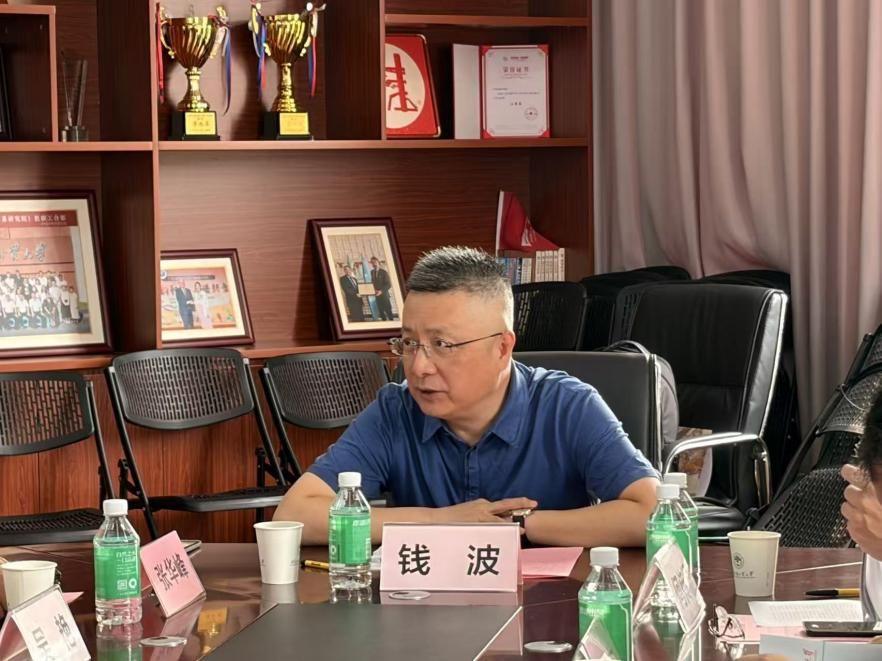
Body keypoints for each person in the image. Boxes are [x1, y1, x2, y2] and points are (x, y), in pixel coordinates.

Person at [275, 246, 659, 547]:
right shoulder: (396, 410)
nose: (419, 367)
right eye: (408, 343)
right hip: (429, 612)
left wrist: (519, 523)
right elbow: (295, 514)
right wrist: (441, 521)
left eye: (442, 345)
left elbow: (655, 513)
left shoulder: (568, 406)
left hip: (546, 608)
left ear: (502, 348)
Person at [370, 256, 394, 321]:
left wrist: (381, 291)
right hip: (377, 295)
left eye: (375, 262)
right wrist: (373, 290)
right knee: (381, 311)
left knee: (388, 310)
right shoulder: (372, 272)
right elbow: (372, 283)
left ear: (378, 262)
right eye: (372, 263)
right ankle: (384, 323)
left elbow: (388, 284)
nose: (374, 264)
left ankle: (392, 323)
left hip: (384, 295)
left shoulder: (384, 272)